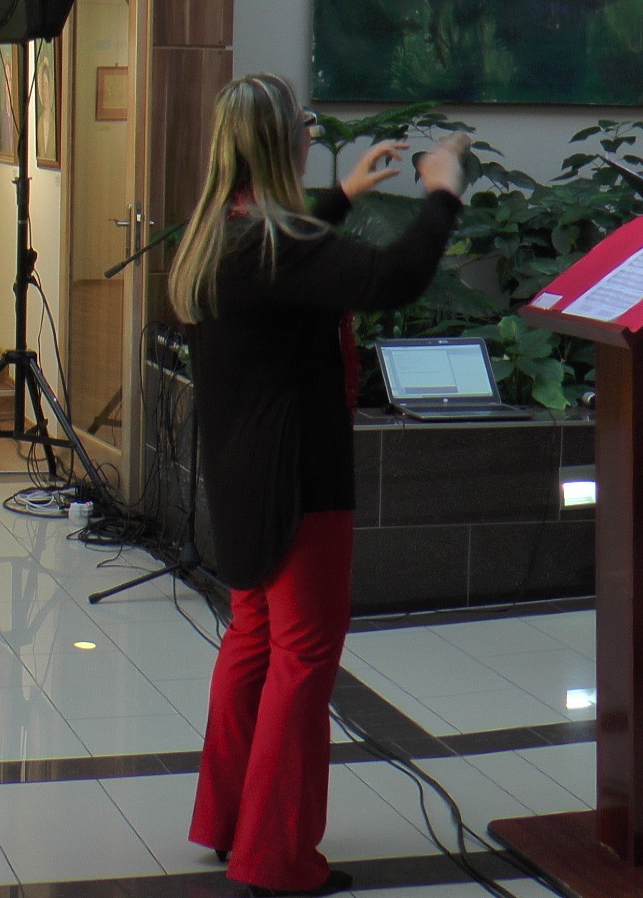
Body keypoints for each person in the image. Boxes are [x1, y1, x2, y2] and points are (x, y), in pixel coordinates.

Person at [173, 74, 467, 898]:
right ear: (284, 141)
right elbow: (389, 277)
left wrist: (342, 197)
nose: (311, 131)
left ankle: (229, 821)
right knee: (302, 658)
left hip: (240, 472)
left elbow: (290, 270)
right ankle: (275, 860)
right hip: (299, 474)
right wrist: (443, 193)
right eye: (304, 121)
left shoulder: (217, 232)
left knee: (253, 639)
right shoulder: (276, 246)